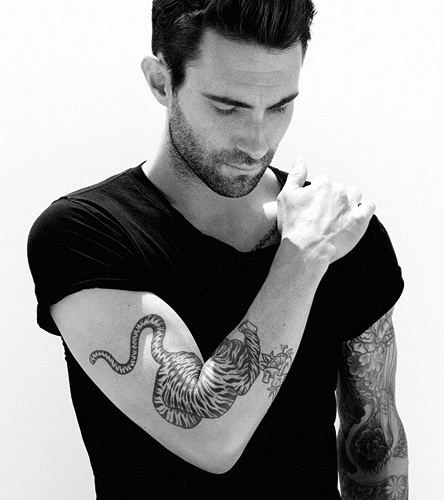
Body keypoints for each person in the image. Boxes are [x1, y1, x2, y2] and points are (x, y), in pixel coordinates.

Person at [27, 1, 409, 498]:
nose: (257, 140)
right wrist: (302, 258)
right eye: (227, 107)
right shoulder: (86, 235)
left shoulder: (341, 230)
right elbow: (210, 434)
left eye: (280, 106)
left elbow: (373, 446)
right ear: (161, 82)